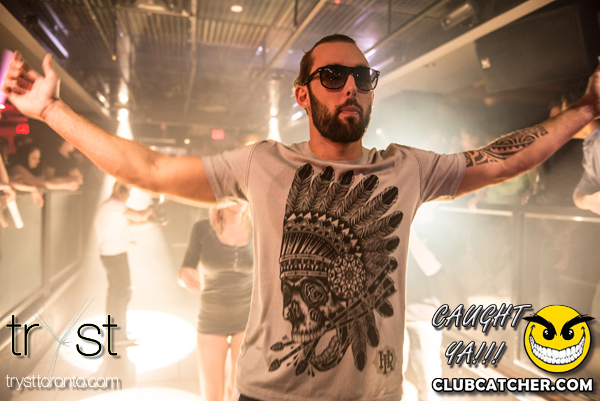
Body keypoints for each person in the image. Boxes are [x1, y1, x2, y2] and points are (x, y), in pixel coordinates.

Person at [2, 34, 599, 401]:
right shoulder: (262, 163)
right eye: (332, 76)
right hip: (271, 395)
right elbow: (151, 170)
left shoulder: (406, 168)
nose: (350, 88)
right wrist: (51, 110)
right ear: (302, 94)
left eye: (362, 78)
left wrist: (585, 110)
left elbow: (501, 160)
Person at [177, 204, 253, 401]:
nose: (239, 199)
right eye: (233, 193)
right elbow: (186, 267)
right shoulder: (202, 229)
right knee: (212, 396)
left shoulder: (257, 227)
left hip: (246, 319)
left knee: (238, 392)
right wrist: (184, 275)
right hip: (212, 319)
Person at [94, 181, 156, 344]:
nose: (129, 195)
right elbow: (140, 216)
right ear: (120, 190)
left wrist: (153, 222)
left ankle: (116, 330)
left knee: (118, 294)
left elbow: (131, 223)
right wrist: (153, 208)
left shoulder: (112, 207)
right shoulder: (115, 205)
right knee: (121, 294)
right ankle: (117, 335)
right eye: (128, 191)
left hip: (113, 255)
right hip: (115, 255)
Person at [9, 143, 80, 191]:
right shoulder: (17, 168)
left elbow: (44, 180)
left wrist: (68, 180)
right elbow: (37, 182)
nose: (38, 161)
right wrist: (64, 185)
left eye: (38, 158)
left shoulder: (32, 170)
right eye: (34, 158)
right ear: (24, 157)